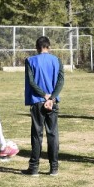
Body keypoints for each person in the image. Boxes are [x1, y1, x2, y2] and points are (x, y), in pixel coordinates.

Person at [23, 36, 64, 177]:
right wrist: (52, 97)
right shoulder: (57, 60)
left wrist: (44, 95)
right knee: (53, 134)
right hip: (53, 102)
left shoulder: (30, 60)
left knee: (37, 135)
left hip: (37, 102)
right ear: (49, 47)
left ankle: (34, 168)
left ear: (37, 47)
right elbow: (60, 81)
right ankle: (54, 168)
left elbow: (31, 82)